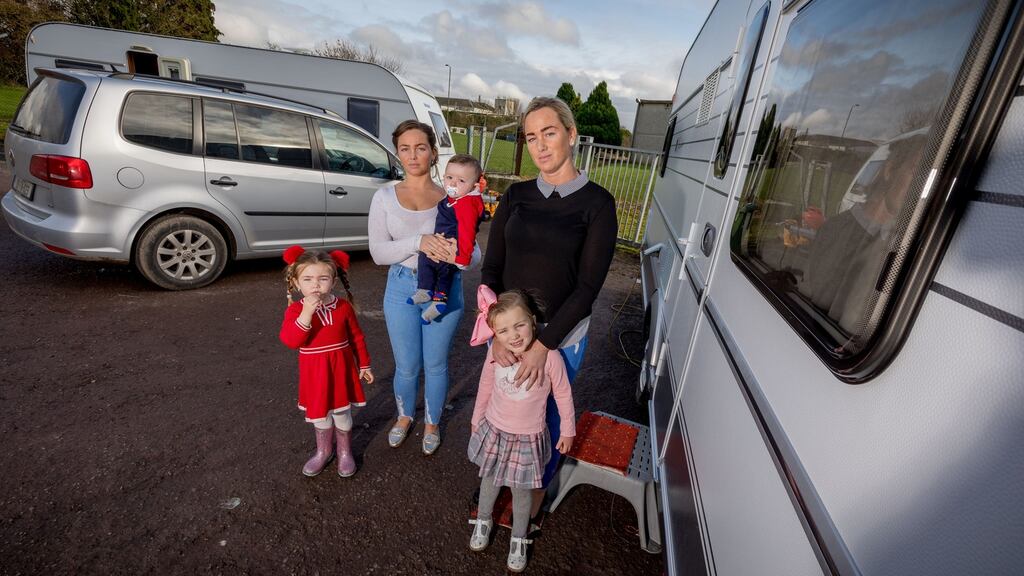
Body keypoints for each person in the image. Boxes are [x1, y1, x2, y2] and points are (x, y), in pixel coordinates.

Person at [481, 96, 617, 519]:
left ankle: (532, 499)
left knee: (548, 423)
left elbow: (588, 285)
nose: (540, 146)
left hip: (560, 340)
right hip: (508, 336)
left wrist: (545, 344)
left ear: (572, 135)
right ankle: (494, 483)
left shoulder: (598, 204)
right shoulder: (517, 196)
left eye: (550, 133)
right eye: (531, 137)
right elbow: (491, 269)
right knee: (502, 413)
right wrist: (492, 332)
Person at [368, 120, 476, 455]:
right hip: (401, 288)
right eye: (405, 148)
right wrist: (420, 241)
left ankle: (431, 422)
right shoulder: (385, 196)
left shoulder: (454, 195)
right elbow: (378, 252)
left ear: (432, 152)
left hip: (446, 288)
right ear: (397, 153)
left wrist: (457, 256)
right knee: (407, 365)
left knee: (436, 364)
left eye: (421, 147)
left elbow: (474, 252)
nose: (413, 155)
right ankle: (404, 417)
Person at [466, 287, 575, 573]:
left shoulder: (549, 357)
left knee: (521, 492)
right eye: (503, 331)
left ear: (533, 321)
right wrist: (477, 419)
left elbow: (563, 394)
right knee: (489, 480)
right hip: (495, 429)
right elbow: (486, 387)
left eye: (519, 325)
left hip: (528, 437)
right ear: (495, 335)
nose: (513, 336)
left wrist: (568, 431)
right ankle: (484, 521)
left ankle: (518, 536)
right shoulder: (496, 353)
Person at [279, 246, 374, 478]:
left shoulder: (342, 307)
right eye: (308, 279)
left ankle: (344, 452)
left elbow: (356, 337)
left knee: (342, 413)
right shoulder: (295, 310)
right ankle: (323, 451)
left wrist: (364, 364)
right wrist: (306, 314)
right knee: (321, 415)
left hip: (341, 370)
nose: (315, 285)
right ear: (296, 282)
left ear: (333, 281)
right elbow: (291, 341)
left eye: (323, 278)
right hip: (316, 374)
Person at [408, 154, 486, 324]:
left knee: (430, 261)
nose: (452, 183)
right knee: (441, 271)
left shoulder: (466, 204)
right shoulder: (459, 198)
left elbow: (467, 233)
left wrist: (462, 258)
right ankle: (437, 300)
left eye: (461, 181)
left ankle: (428, 292)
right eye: (449, 177)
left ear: (473, 185)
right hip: (445, 242)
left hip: (451, 246)